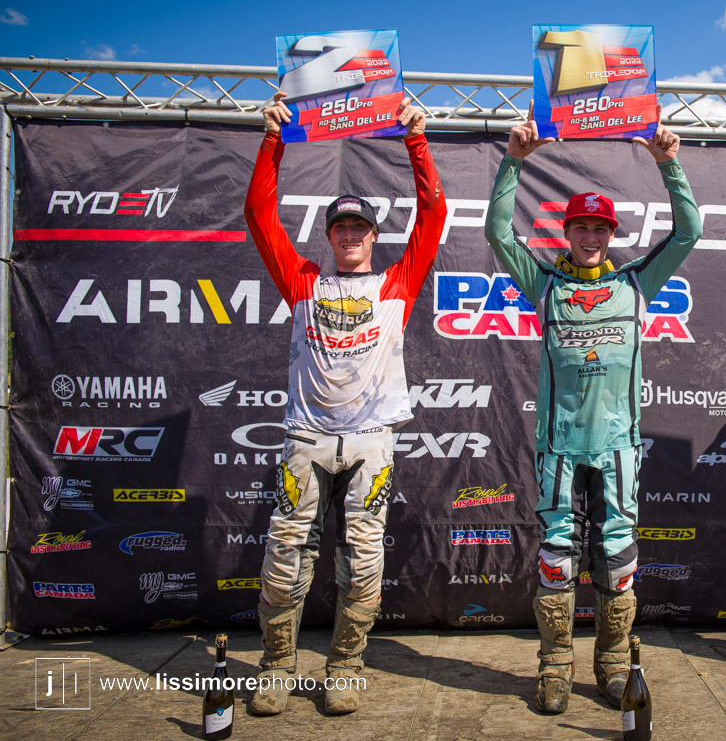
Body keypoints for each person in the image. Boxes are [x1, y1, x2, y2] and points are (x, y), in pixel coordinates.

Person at [484, 104, 700, 713]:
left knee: (620, 561)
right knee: (557, 562)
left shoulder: (635, 284)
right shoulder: (545, 286)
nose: (590, 237)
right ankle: (555, 666)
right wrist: (513, 161)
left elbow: (688, 233)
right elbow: (499, 234)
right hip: (559, 448)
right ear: (567, 233)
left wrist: (670, 164)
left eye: (600, 229)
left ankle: (612, 663)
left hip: (618, 450)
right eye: (580, 227)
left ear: (611, 237)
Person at [243, 91, 447, 715]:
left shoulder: (396, 283)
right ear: (330, 236)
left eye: (360, 227)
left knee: (362, 562)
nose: (351, 235)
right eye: (341, 228)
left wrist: (416, 140)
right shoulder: (303, 281)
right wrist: (272, 139)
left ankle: (346, 667)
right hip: (306, 439)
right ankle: (276, 667)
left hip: (370, 441)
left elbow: (434, 214)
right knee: (285, 556)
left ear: (373, 236)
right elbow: (258, 214)